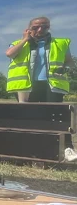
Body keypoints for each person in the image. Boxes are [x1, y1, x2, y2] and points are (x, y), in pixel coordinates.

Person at [6, 16, 76, 162]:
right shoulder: (19, 43)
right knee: (28, 118)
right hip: (26, 86)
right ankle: (30, 150)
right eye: (36, 27)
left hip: (51, 85)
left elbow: (70, 62)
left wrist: (65, 68)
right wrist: (25, 39)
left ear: (49, 27)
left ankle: (68, 149)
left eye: (45, 26)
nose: (40, 30)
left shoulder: (60, 43)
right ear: (28, 28)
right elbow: (9, 54)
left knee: (58, 118)